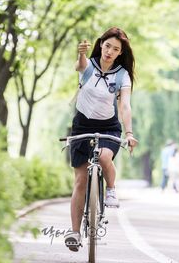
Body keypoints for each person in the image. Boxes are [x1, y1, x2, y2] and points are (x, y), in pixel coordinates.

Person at [64, 27, 138, 251]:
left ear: (119, 53)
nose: (110, 51)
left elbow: (124, 105)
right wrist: (81, 53)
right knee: (80, 181)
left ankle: (111, 189)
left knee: (105, 157)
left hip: (109, 126)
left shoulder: (122, 74)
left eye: (115, 49)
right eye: (107, 46)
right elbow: (79, 66)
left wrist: (129, 133)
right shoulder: (88, 65)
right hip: (82, 125)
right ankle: (75, 233)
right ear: (101, 44)